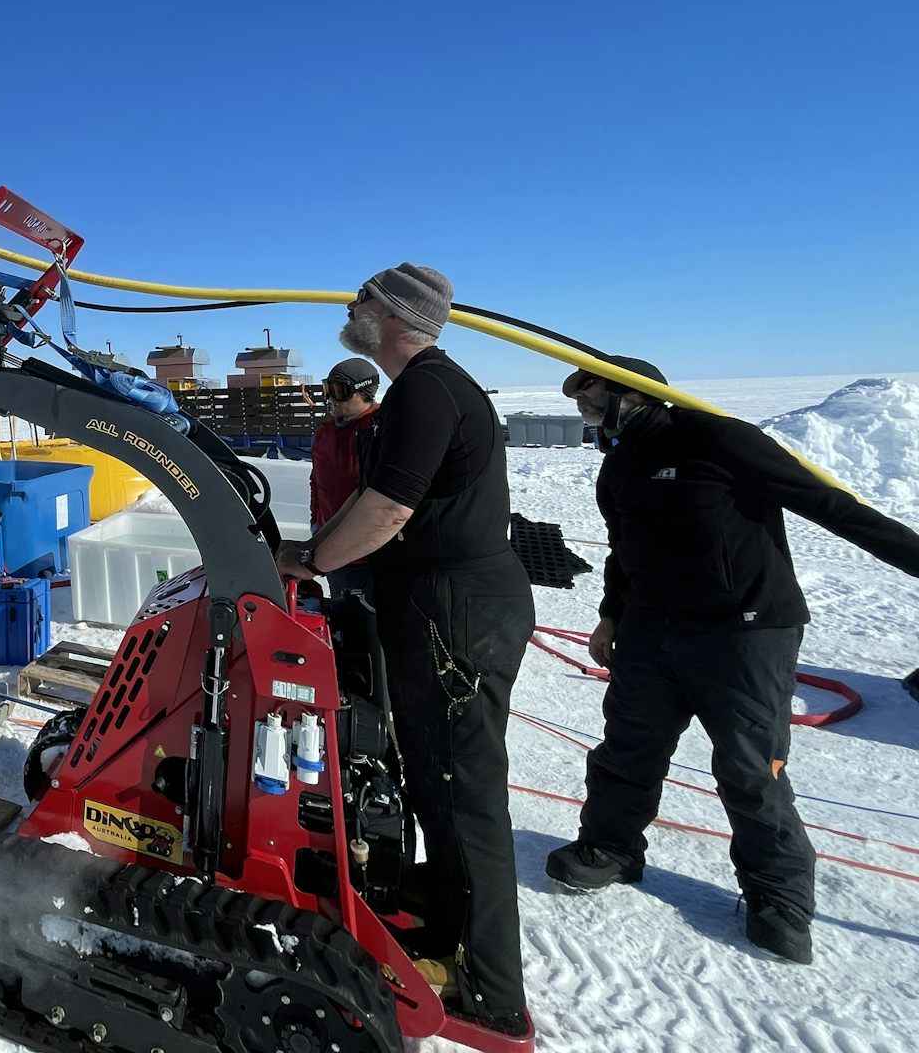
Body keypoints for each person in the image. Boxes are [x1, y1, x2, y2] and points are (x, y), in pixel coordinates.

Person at [544, 358, 919, 965]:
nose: (577, 396)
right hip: (651, 629)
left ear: (630, 390)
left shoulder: (717, 437)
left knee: (751, 768)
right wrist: (612, 614)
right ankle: (610, 849)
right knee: (628, 748)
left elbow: (832, 505)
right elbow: (625, 548)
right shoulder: (619, 463)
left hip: (744, 633)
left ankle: (779, 899)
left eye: (586, 384)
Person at [277, 264, 533, 1038]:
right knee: (430, 770)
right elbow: (372, 495)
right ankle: (439, 912)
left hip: (452, 613)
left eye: (360, 300)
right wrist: (318, 547)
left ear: (388, 314)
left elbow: (388, 509)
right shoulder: (416, 391)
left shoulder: (428, 388)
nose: (349, 309)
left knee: (464, 791)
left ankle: (487, 990)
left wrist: (317, 561)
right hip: (434, 605)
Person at [309, 356, 382, 598]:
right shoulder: (326, 431)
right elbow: (317, 481)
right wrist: (316, 521)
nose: (331, 399)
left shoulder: (378, 429)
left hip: (366, 552)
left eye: (339, 391)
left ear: (363, 392)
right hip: (329, 542)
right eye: (328, 389)